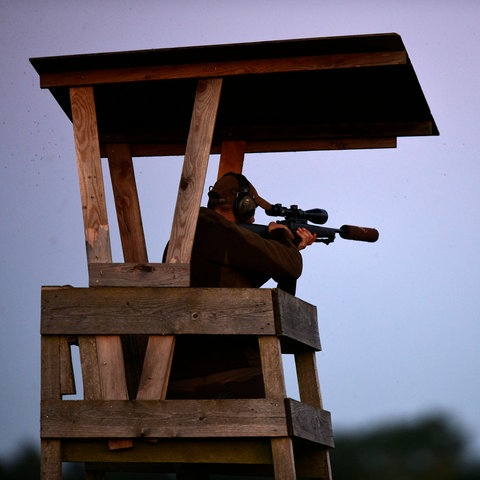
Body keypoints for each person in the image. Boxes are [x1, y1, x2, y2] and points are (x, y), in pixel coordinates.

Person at [167, 172, 316, 399]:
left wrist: (287, 250)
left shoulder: (187, 235)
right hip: (232, 375)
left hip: (177, 375)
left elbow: (235, 277)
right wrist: (283, 240)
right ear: (242, 205)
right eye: (252, 210)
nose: (254, 219)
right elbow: (292, 267)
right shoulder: (224, 233)